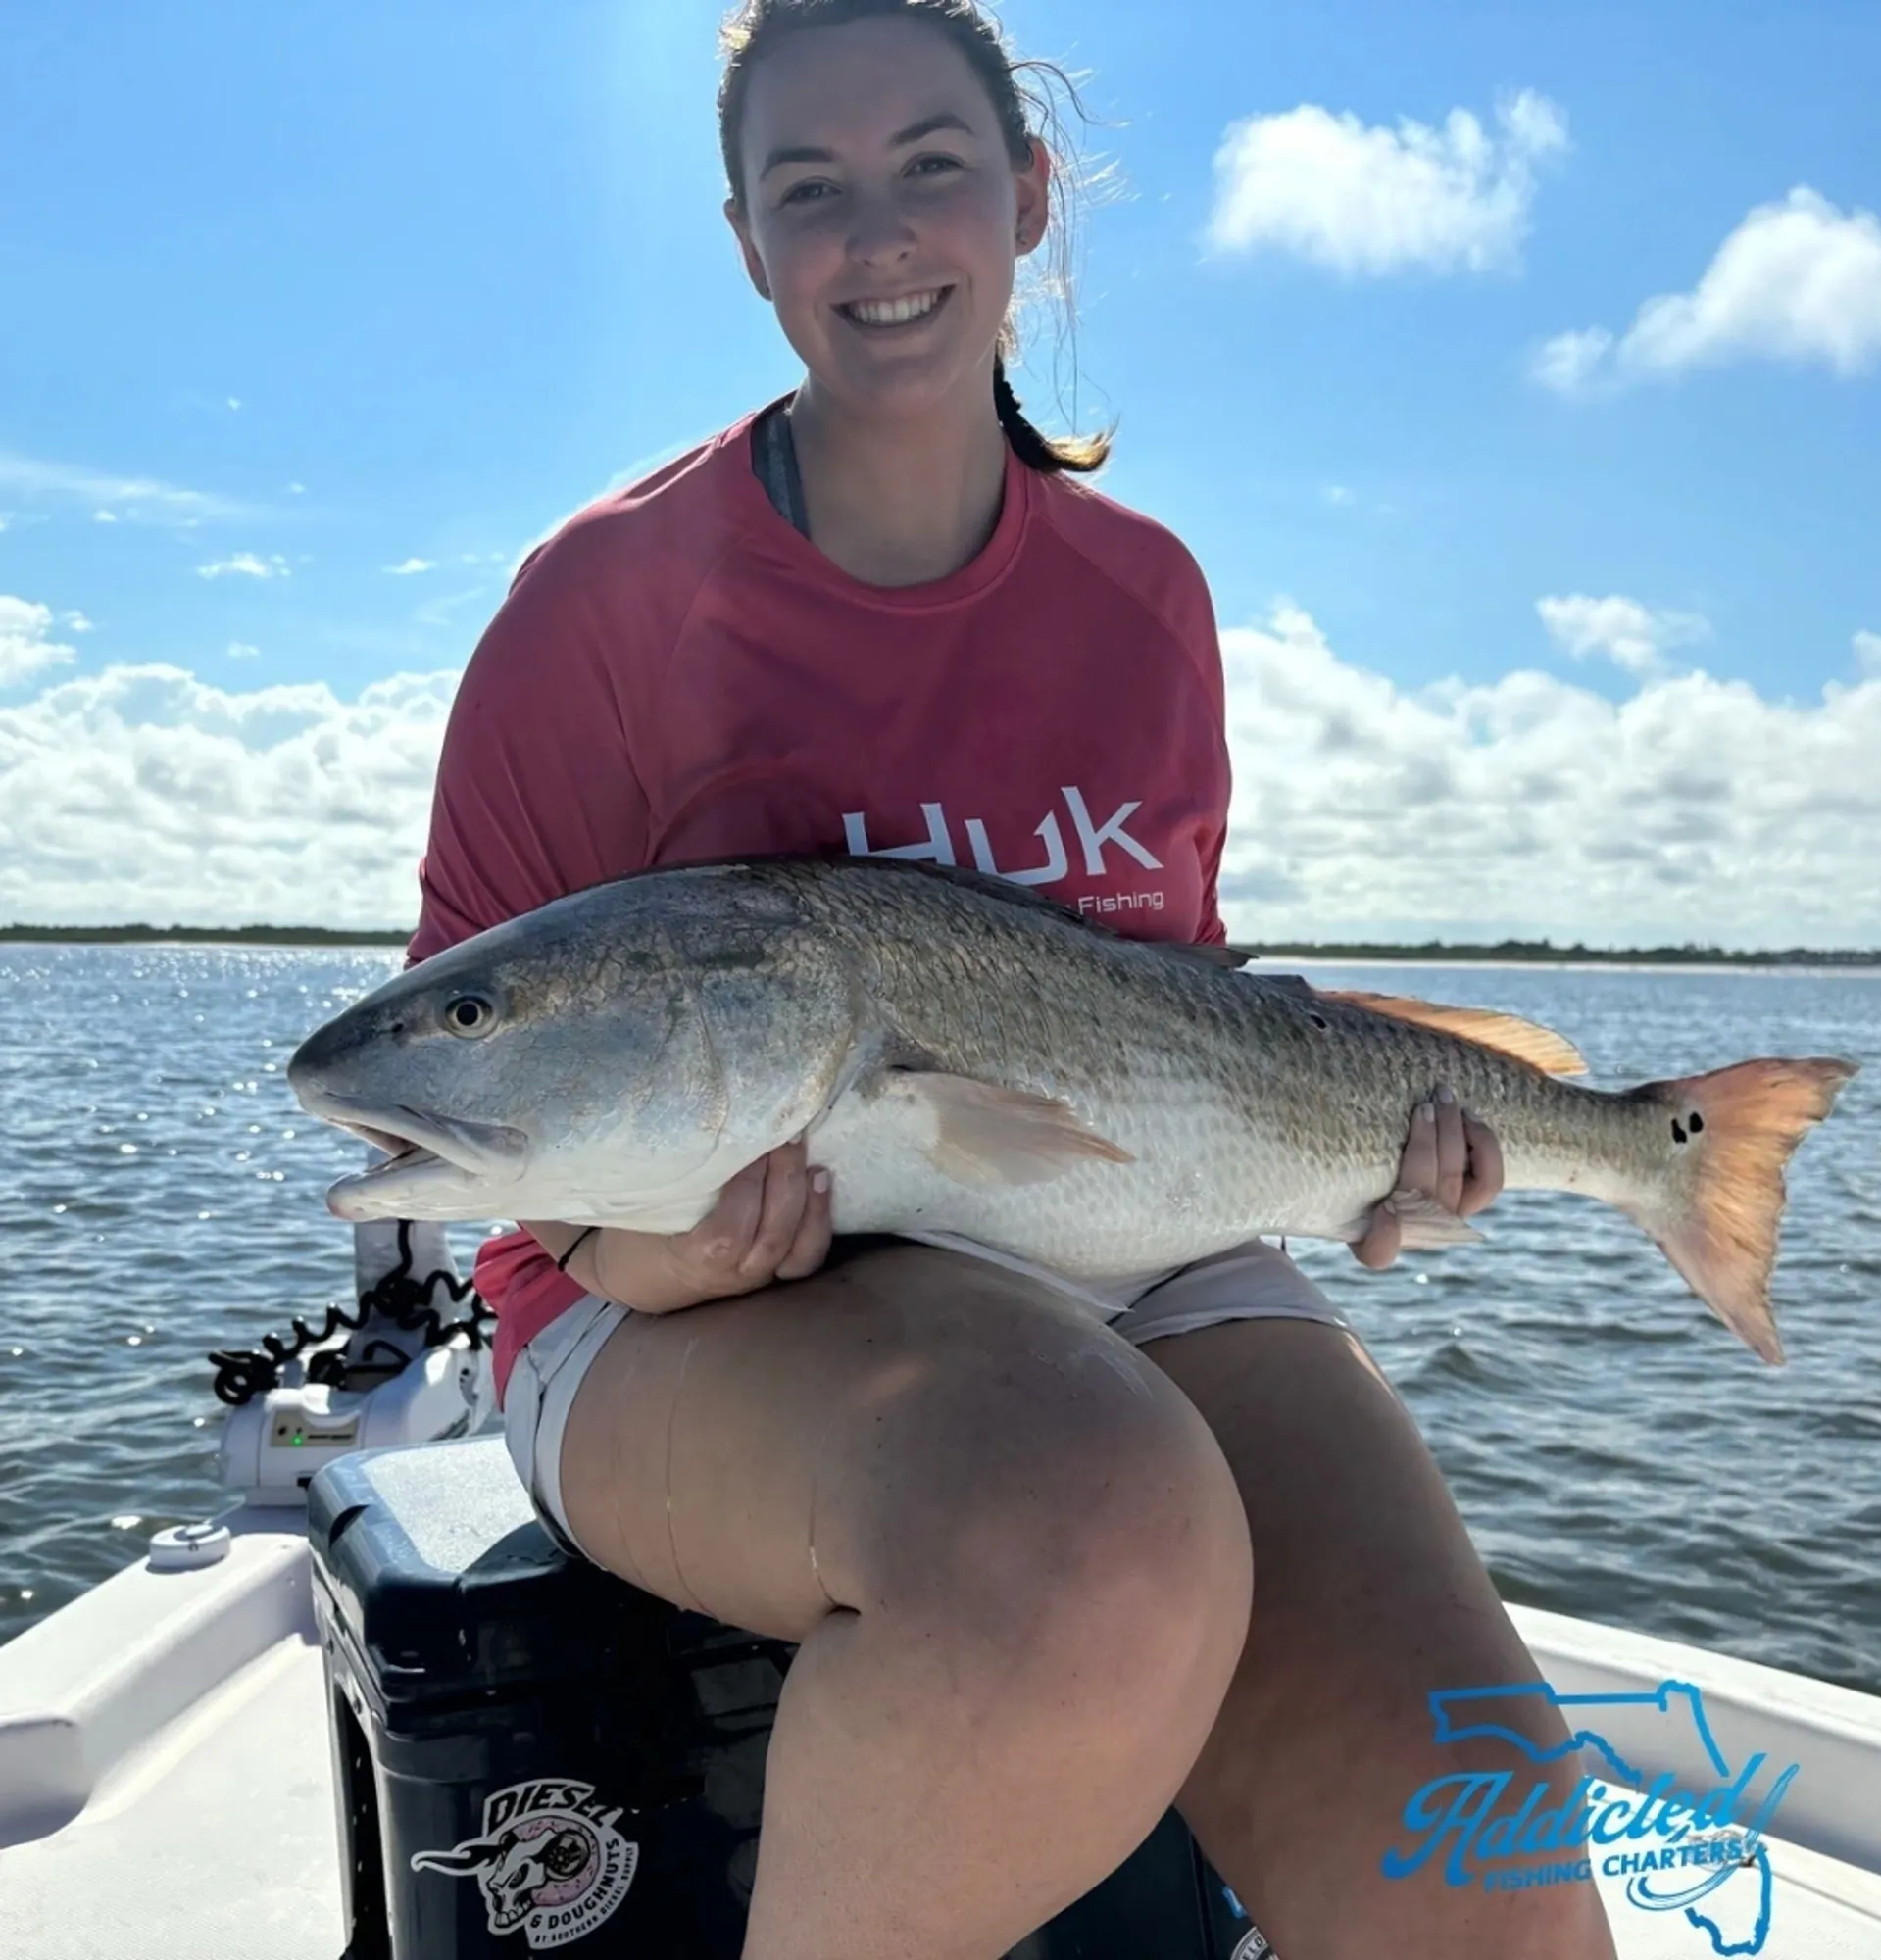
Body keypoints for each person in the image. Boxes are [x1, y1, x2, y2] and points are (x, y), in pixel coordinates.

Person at [397, 4, 1618, 1955]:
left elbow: (1175, 1004)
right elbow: (500, 1102)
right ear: (742, 240)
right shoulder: (594, 611)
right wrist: (654, 1255)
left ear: (1030, 196)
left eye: (931, 166)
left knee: (1470, 1817)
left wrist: (1358, 1156)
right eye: (810, 189)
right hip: (647, 1290)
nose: (876, 232)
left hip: (1123, 1233)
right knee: (1083, 1530)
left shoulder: (1146, 602)